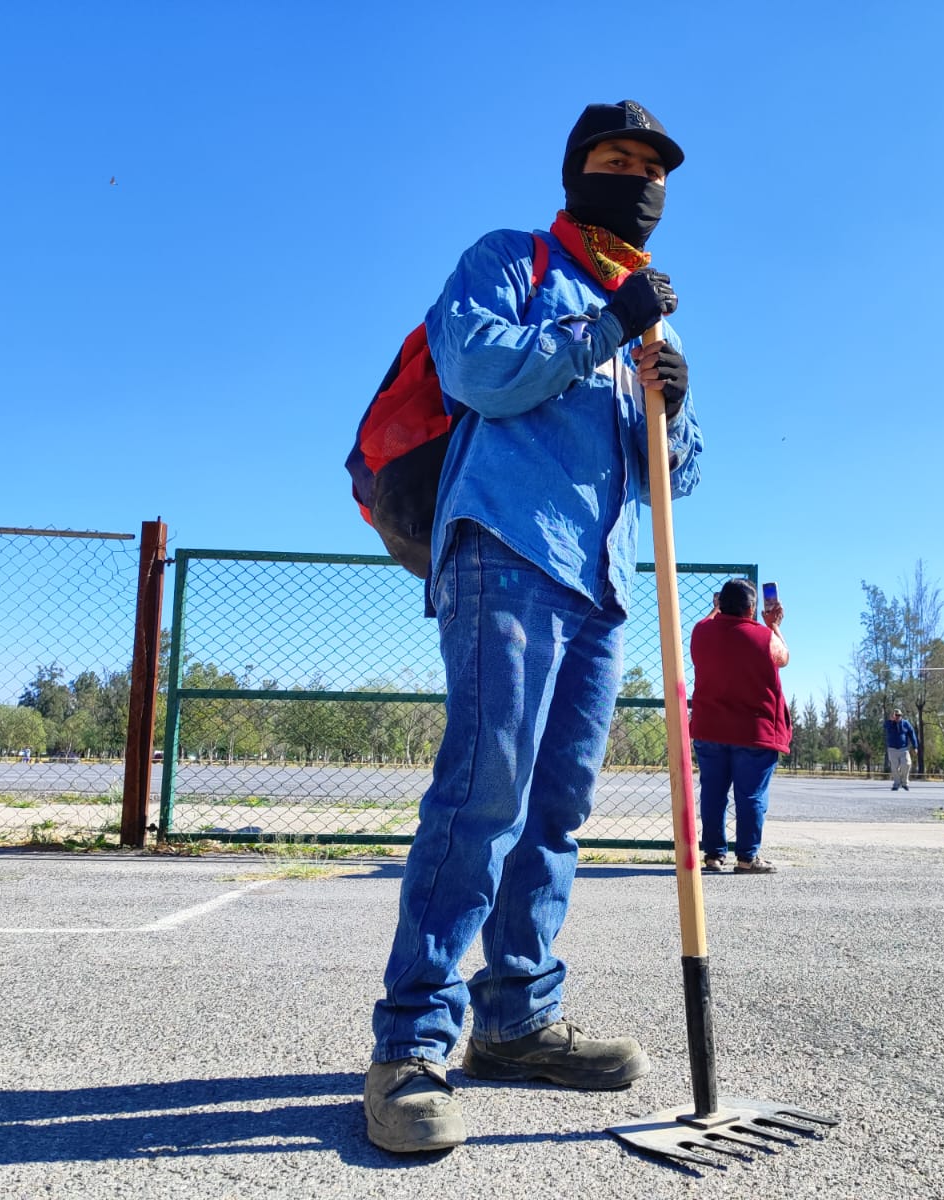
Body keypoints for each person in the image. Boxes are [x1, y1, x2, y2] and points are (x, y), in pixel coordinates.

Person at [363, 100, 703, 1156]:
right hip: (505, 550)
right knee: (485, 795)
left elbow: (675, 481)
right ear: (577, 172)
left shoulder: (652, 317)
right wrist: (603, 326)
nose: (636, 177)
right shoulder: (511, 259)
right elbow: (477, 370)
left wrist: (675, 405)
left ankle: (514, 1020)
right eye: (616, 159)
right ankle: (412, 1046)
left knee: (557, 807)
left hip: (602, 579)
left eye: (651, 167)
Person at [689, 579, 791, 875]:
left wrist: (714, 610)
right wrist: (773, 624)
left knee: (713, 792)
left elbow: (707, 621)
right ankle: (746, 857)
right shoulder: (764, 637)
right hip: (753, 732)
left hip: (710, 728)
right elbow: (784, 658)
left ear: (720, 603)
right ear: (751, 609)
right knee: (751, 795)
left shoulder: (701, 632)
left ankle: (713, 855)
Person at [882, 707, 918, 791]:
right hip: (892, 749)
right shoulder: (888, 723)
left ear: (901, 716)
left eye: (899, 715)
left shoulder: (906, 723)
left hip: (903, 749)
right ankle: (896, 784)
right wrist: (891, 721)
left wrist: (915, 746)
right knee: (894, 768)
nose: (897, 717)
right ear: (892, 716)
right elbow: (885, 726)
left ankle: (905, 782)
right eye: (895, 715)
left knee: (907, 764)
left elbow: (912, 735)